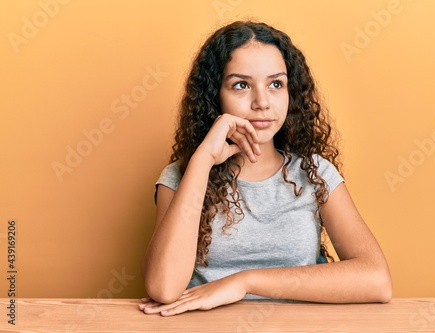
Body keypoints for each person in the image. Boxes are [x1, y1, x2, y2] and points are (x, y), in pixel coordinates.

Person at [139, 21, 392, 317]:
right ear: (214, 96)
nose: (262, 102)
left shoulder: (314, 173)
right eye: (241, 85)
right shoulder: (181, 176)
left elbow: (377, 280)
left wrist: (245, 282)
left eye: (275, 84)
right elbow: (164, 287)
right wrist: (203, 158)